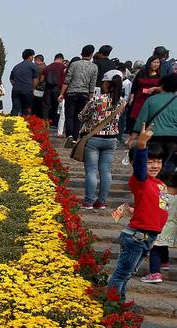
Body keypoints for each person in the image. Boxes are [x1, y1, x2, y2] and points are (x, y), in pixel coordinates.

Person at [107, 125, 169, 301]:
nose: (155, 165)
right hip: (136, 237)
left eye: (158, 161)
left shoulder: (160, 184)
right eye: (150, 162)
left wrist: (135, 210)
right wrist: (141, 145)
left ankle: (119, 306)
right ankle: (112, 306)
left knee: (127, 275)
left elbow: (159, 208)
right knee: (121, 274)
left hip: (149, 237)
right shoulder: (140, 180)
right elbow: (140, 169)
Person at [78, 70, 126, 210]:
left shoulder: (97, 99)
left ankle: (88, 201)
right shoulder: (122, 102)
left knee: (91, 171)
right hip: (111, 139)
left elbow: (82, 116)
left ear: (107, 84)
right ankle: (101, 202)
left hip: (94, 138)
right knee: (106, 171)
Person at [130, 73, 177, 176]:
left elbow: (141, 120)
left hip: (153, 136)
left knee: (152, 162)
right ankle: (166, 182)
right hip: (173, 138)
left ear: (162, 85)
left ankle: (152, 182)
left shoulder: (151, 99)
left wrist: (133, 137)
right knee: (169, 164)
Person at [141, 172, 177, 283]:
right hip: (172, 227)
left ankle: (154, 273)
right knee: (163, 244)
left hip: (160, 225)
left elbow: (158, 210)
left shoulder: (162, 196)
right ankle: (164, 262)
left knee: (155, 248)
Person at [61, 45, 99, 144]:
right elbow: (92, 84)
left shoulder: (74, 64)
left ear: (81, 53)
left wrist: (61, 93)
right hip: (84, 94)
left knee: (69, 116)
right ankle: (74, 138)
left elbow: (67, 80)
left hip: (71, 92)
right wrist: (91, 97)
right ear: (91, 54)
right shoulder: (94, 67)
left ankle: (69, 135)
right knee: (79, 117)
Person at [128, 57, 163, 134]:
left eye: (158, 63)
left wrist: (154, 88)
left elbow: (163, 88)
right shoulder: (141, 73)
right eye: (154, 62)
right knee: (136, 117)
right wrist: (132, 97)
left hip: (153, 99)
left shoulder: (160, 75)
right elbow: (135, 86)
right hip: (139, 98)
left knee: (149, 118)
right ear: (149, 63)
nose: (156, 64)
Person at [10, 49, 38, 116]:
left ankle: (12, 121)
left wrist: (15, 85)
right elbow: (35, 80)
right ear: (30, 56)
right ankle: (25, 121)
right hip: (27, 90)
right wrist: (33, 89)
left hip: (16, 90)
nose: (33, 58)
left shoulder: (16, 66)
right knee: (27, 109)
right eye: (33, 56)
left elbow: (11, 79)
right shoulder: (33, 66)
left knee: (15, 108)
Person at [41, 54, 67, 122]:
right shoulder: (63, 67)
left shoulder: (47, 67)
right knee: (57, 106)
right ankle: (55, 123)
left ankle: (45, 122)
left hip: (47, 88)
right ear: (62, 59)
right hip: (58, 89)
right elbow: (66, 80)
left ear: (54, 58)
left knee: (46, 106)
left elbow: (42, 80)